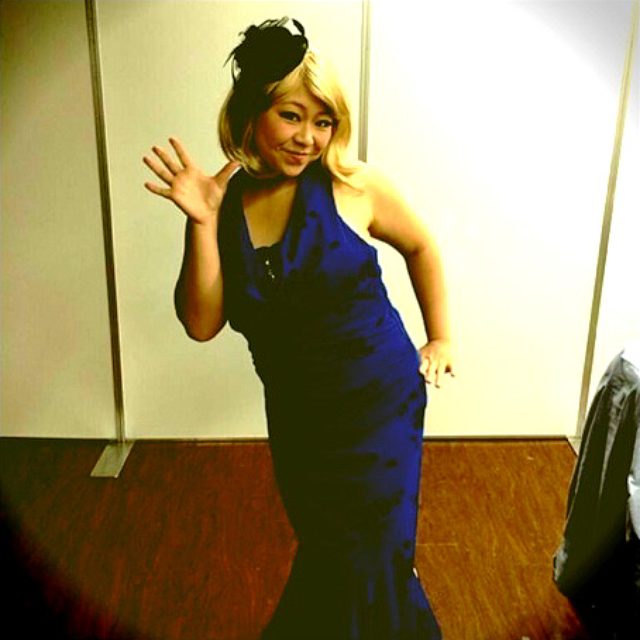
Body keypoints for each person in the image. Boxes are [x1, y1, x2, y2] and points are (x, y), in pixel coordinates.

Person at [143, 17, 454, 639]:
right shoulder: (219, 202)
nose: (308, 138)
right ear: (251, 112)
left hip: (379, 403)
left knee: (373, 555)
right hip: (299, 419)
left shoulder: (353, 185)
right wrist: (201, 224)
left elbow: (421, 245)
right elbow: (201, 323)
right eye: (291, 116)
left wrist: (441, 336)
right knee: (329, 548)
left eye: (324, 121)